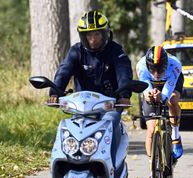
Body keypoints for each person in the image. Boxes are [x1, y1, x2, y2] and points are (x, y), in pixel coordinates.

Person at [48, 10, 133, 164]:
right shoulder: (76, 51)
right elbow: (64, 71)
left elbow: (124, 73)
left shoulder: (116, 51)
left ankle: (111, 165)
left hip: (109, 105)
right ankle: (71, 161)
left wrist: (124, 95)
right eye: (89, 35)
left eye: (97, 35)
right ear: (83, 36)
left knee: (111, 123)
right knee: (73, 129)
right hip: (82, 106)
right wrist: (55, 91)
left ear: (105, 34)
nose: (93, 39)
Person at [136, 45, 184, 178]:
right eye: (153, 70)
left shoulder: (174, 65)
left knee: (172, 100)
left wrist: (162, 97)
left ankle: (175, 135)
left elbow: (168, 91)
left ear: (165, 64)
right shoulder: (141, 67)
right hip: (151, 86)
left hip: (170, 83)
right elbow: (145, 90)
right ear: (148, 66)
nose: (156, 74)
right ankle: (152, 171)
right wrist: (150, 96)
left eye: (160, 69)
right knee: (151, 130)